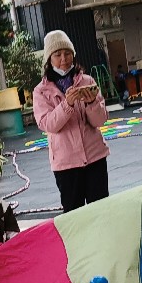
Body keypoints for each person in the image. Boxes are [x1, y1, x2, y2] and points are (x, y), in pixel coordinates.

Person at [32, 30, 110, 214]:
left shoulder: (87, 81)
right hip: (66, 164)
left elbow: (100, 120)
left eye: (67, 53)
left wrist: (91, 103)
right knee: (74, 216)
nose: (63, 59)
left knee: (101, 212)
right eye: (57, 54)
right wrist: (67, 104)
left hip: (95, 157)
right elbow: (48, 124)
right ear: (49, 59)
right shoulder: (41, 91)